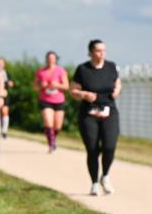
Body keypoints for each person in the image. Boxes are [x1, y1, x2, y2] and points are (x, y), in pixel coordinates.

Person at [70, 39, 121, 196]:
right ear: (91, 52)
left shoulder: (111, 67)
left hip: (109, 111)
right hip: (89, 114)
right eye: (98, 51)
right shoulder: (83, 69)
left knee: (109, 146)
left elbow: (118, 83)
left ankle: (105, 176)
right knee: (92, 149)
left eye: (104, 50)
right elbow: (73, 91)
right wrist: (84, 94)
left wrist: (117, 91)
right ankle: (94, 183)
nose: (102, 53)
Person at [34, 51, 69, 152]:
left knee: (58, 126)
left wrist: (57, 85)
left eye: (53, 58)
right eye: (49, 58)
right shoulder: (40, 71)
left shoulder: (61, 70)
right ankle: (51, 144)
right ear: (46, 59)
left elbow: (66, 86)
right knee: (48, 121)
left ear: (56, 59)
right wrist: (41, 85)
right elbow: (35, 87)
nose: (51, 60)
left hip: (59, 100)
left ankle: (53, 138)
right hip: (45, 100)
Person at [0, 58, 15, 139]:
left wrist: (10, 83)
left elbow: (11, 83)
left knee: (5, 111)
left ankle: (4, 131)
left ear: (4, 64)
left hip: (5, 94)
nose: (0, 64)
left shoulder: (7, 73)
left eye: (1, 63)